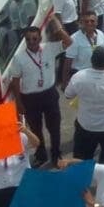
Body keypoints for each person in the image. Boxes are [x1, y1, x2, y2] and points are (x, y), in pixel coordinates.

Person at [12, 19, 72, 166]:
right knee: (36, 129)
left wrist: (58, 28)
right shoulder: (19, 58)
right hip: (30, 98)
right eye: (28, 39)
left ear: (40, 38)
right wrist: (19, 103)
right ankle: (41, 155)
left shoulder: (49, 48)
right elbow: (15, 81)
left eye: (34, 38)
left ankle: (56, 155)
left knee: (54, 127)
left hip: (49, 95)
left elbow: (69, 42)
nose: (31, 42)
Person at [64, 47, 104, 166]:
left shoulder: (79, 77)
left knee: (81, 161)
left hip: (85, 125)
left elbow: (68, 95)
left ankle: (81, 183)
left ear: (91, 60)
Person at [63, 11, 104, 88]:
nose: (89, 23)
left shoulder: (101, 34)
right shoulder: (74, 39)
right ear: (81, 23)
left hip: (99, 75)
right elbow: (68, 63)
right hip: (81, 77)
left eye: (92, 21)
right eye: (86, 21)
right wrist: (65, 83)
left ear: (97, 22)